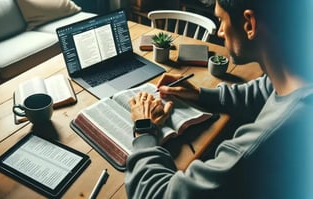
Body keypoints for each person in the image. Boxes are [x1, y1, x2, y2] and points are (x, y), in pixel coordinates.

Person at [125, 0, 313, 198]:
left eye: (221, 20)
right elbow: (262, 90)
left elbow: (155, 194)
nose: (220, 32)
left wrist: (144, 129)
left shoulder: (260, 143)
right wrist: (200, 94)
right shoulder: (298, 67)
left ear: (249, 24)